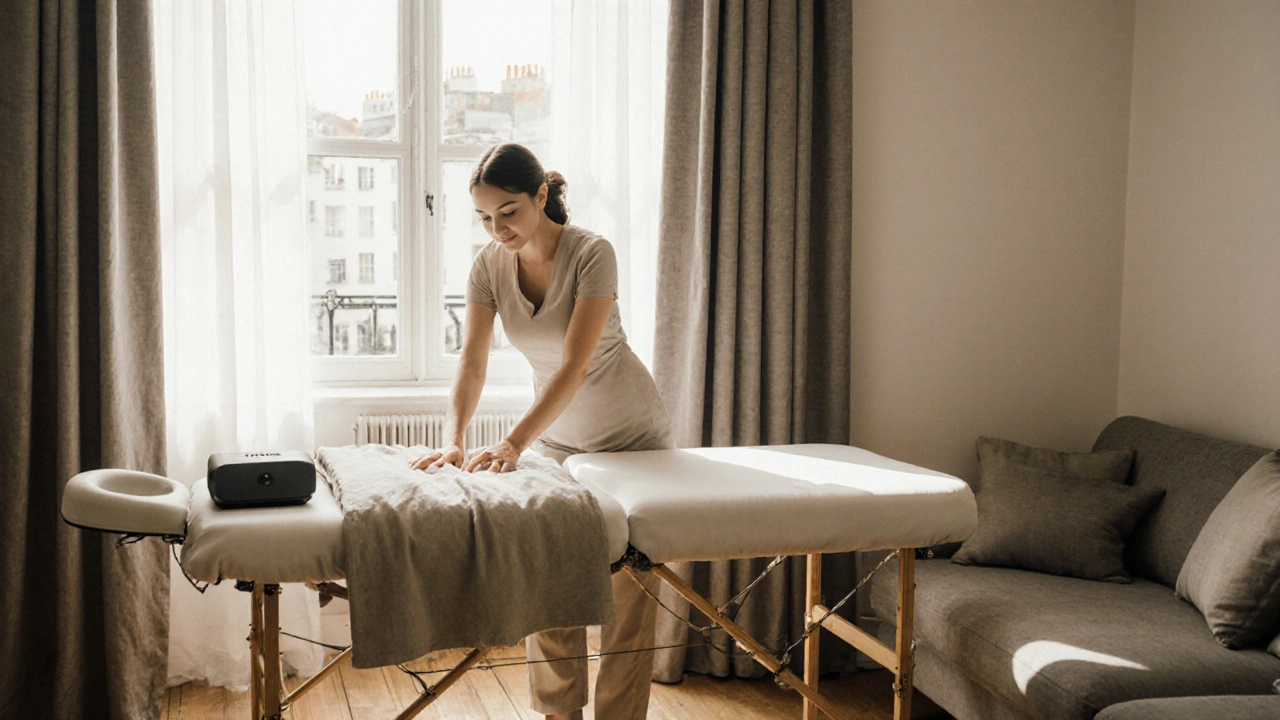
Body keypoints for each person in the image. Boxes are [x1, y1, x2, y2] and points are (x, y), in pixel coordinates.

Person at [410, 142, 673, 720]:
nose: (497, 228)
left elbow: (575, 365)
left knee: (628, 593)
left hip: (630, 436)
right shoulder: (488, 266)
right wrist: (455, 437)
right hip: (557, 437)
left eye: (508, 211)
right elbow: (472, 362)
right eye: (484, 217)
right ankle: (559, 713)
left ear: (541, 195)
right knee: (551, 574)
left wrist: (513, 442)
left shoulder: (592, 253)